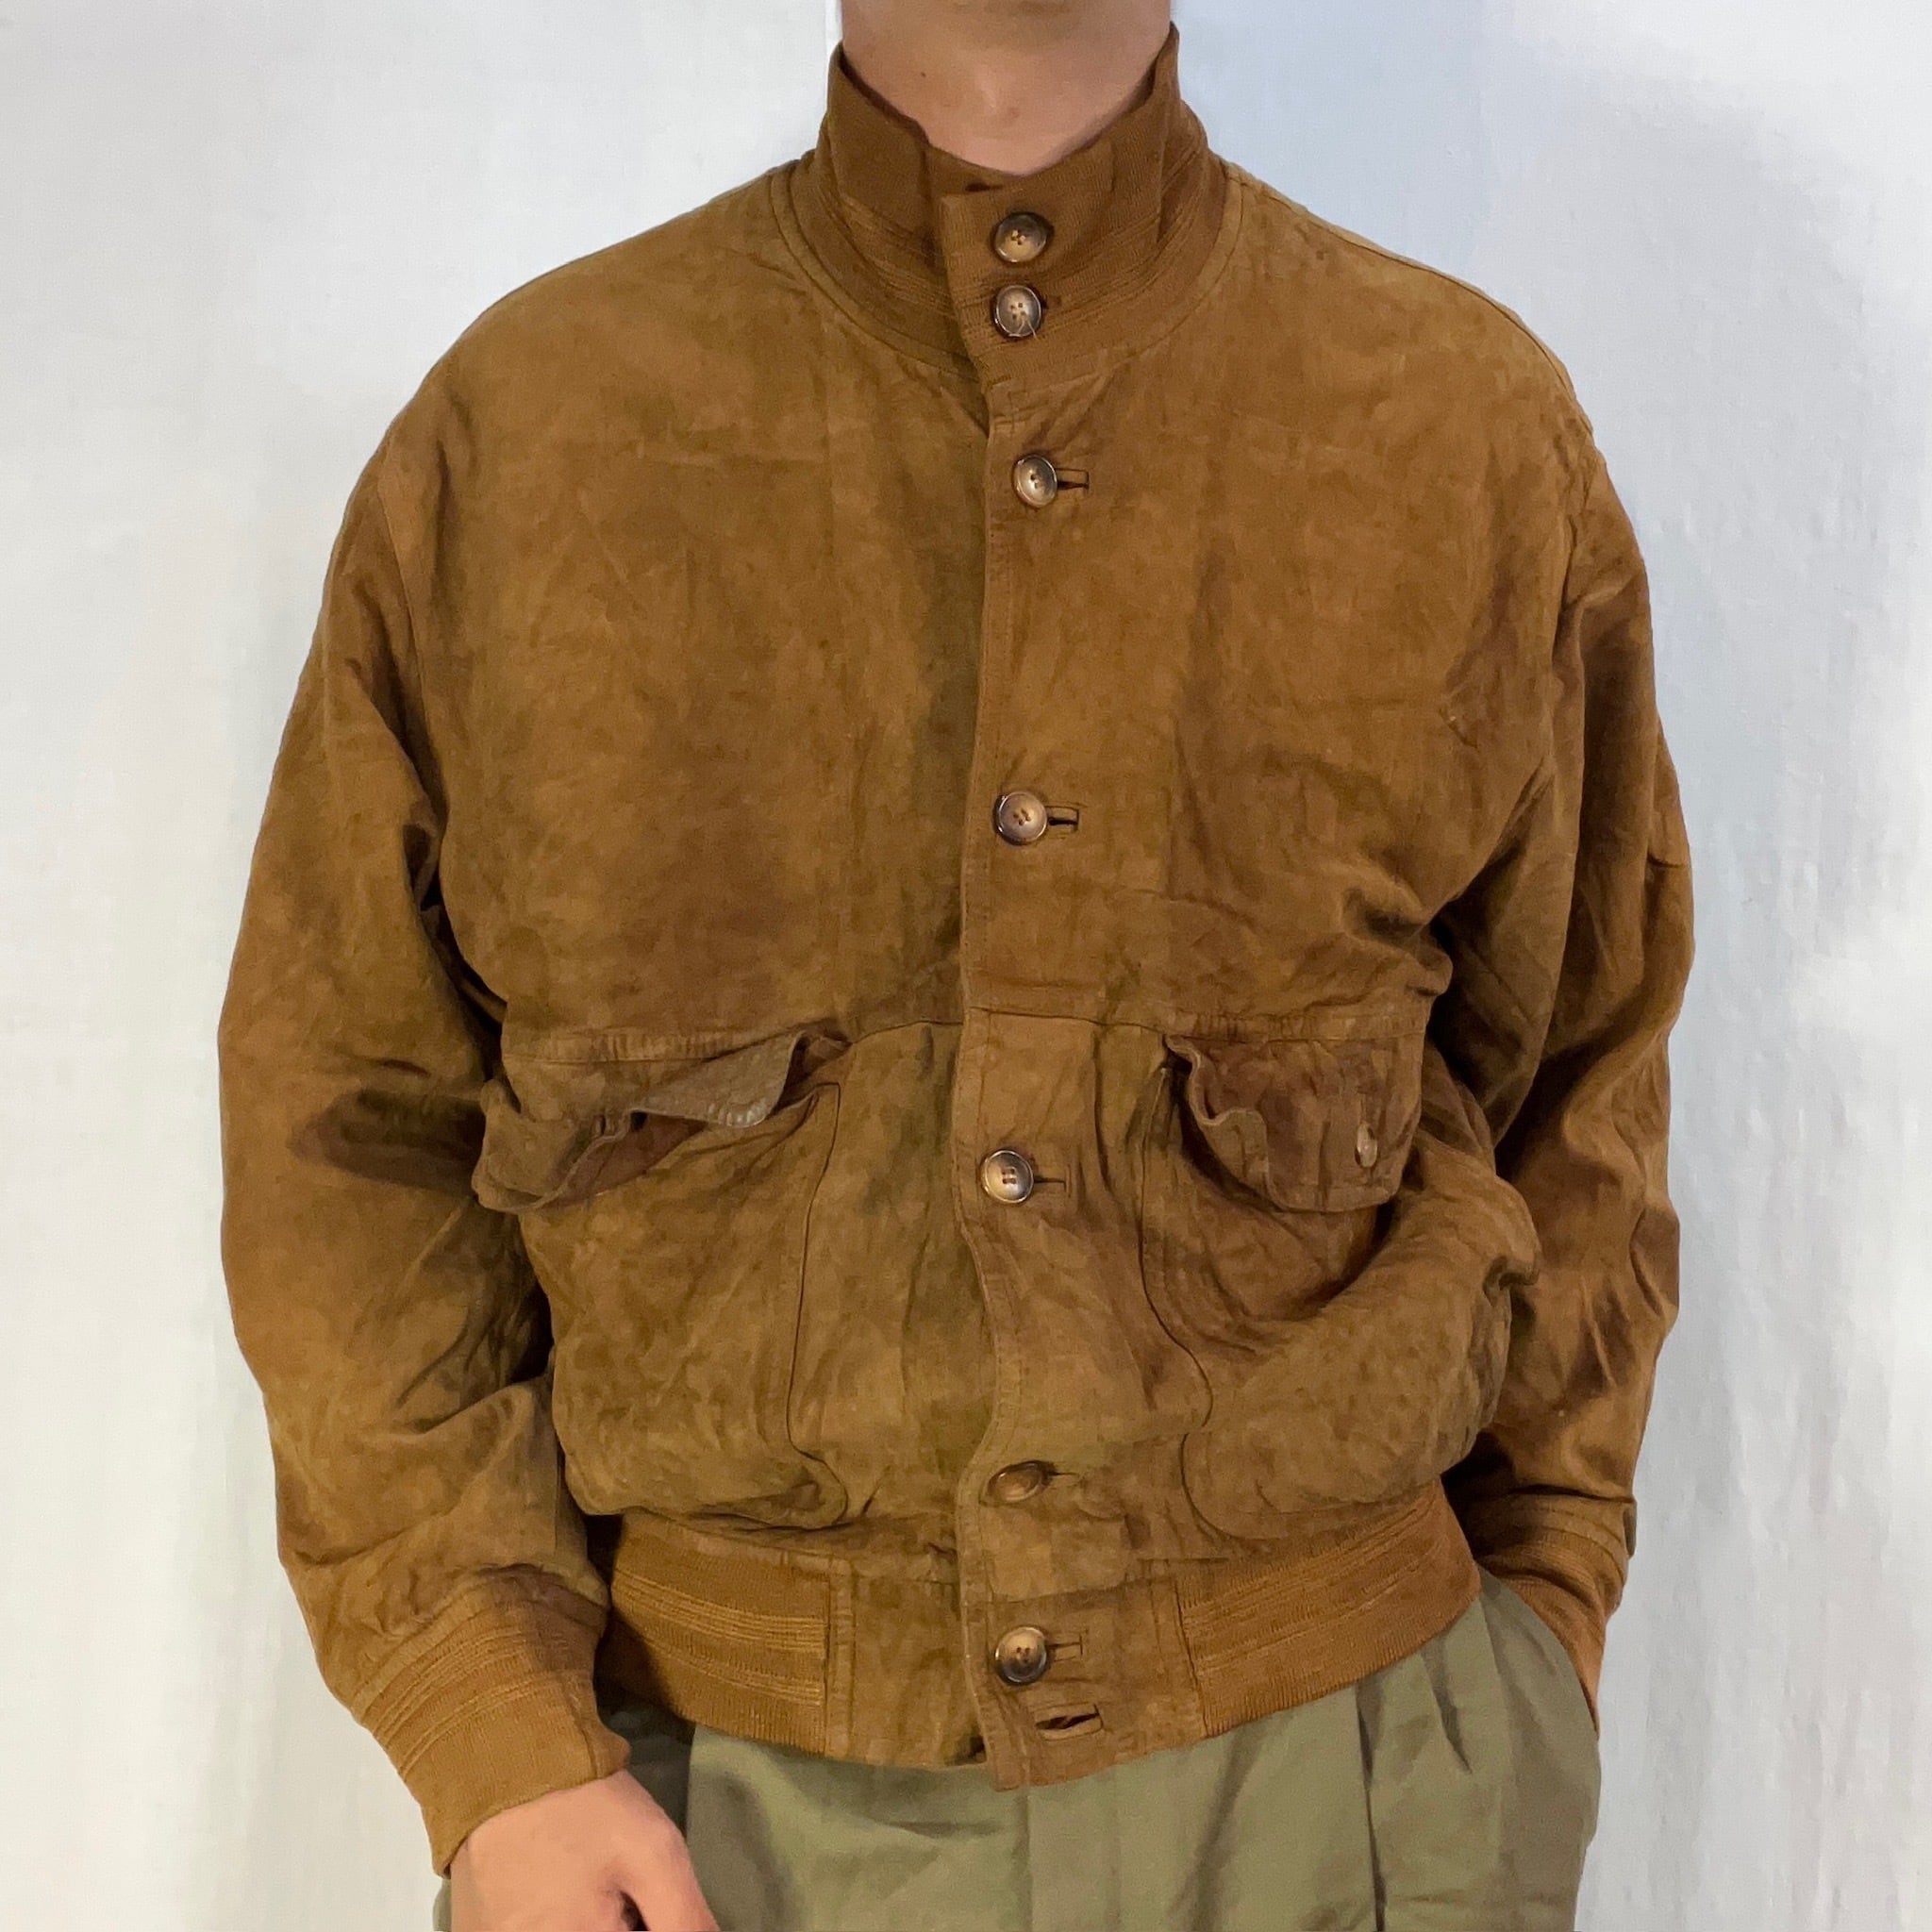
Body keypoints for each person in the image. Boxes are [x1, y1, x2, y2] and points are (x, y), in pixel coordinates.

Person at [217, 0, 1695, 1926]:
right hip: (693, 1822)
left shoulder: (1461, 424)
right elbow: (352, 1129)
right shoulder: (527, 434)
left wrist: (1544, 1627)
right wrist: (493, 1736)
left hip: (1353, 1785)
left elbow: (1581, 1068)